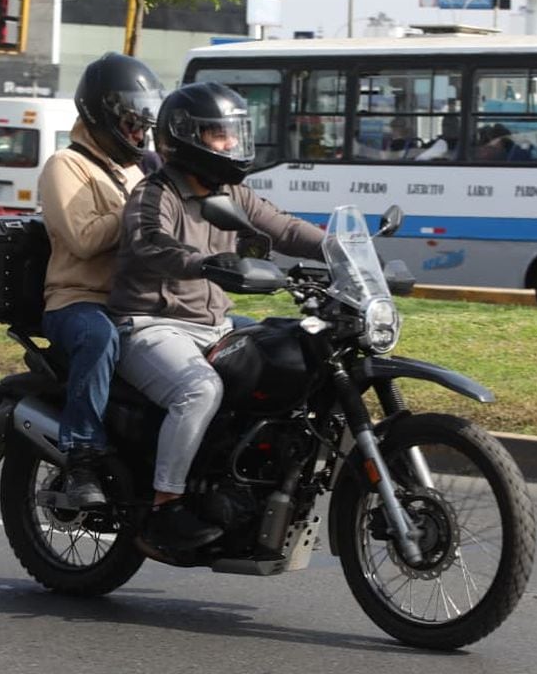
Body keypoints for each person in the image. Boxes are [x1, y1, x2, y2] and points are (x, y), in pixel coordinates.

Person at [108, 82, 325, 551]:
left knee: (289, 354)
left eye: (235, 134)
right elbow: (150, 242)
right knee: (198, 388)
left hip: (215, 326)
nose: (231, 145)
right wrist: (202, 261)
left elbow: (283, 228)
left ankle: (240, 483)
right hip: (150, 324)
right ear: (185, 136)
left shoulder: (234, 193)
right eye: (220, 135)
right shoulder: (155, 192)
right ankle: (166, 506)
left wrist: (339, 246)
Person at [38, 52, 166, 509]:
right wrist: (141, 208)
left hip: (135, 298)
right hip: (78, 300)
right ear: (104, 115)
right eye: (132, 125)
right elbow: (85, 239)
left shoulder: (134, 168)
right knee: (99, 336)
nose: (139, 135)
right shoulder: (65, 166)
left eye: (143, 127)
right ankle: (82, 458)